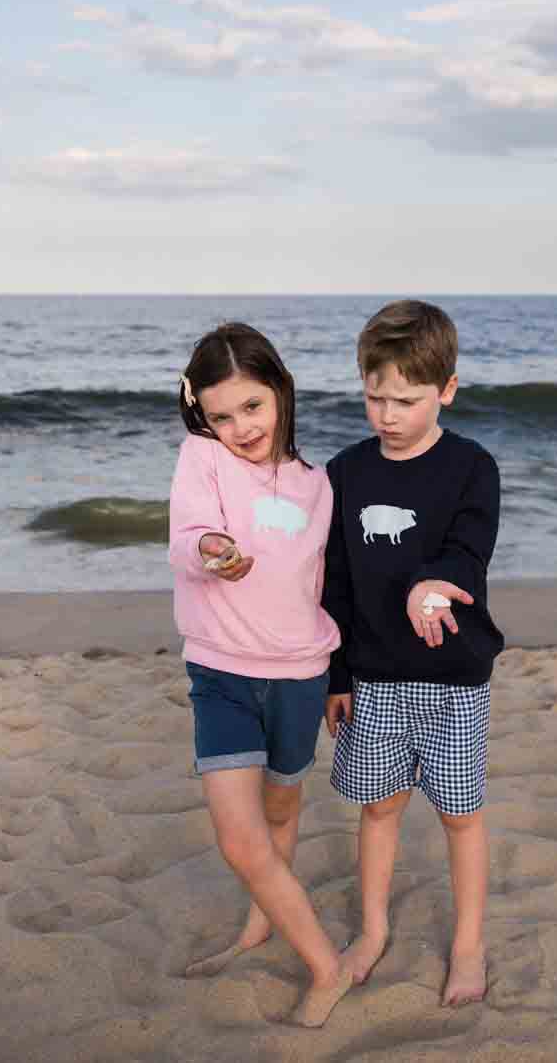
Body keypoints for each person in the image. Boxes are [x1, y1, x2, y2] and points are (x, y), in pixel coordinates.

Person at [167, 322, 354, 1027]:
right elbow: (188, 536)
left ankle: (258, 925)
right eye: (220, 414)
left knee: (281, 812)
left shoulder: (317, 484)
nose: (239, 426)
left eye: (251, 406)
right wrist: (213, 548)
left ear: (279, 391)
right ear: (201, 416)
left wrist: (339, 675)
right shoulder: (202, 459)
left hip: (301, 673)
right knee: (242, 839)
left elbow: (327, 584)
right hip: (221, 670)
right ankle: (327, 965)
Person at [322, 299, 503, 1008]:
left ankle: (467, 943)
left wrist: (434, 581)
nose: (387, 414)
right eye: (374, 397)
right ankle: (371, 931)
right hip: (373, 675)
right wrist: (337, 674)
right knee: (380, 807)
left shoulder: (470, 468)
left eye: (406, 399)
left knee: (460, 814)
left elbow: (469, 549)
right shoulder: (346, 473)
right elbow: (334, 579)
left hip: (453, 678)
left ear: (446, 390)